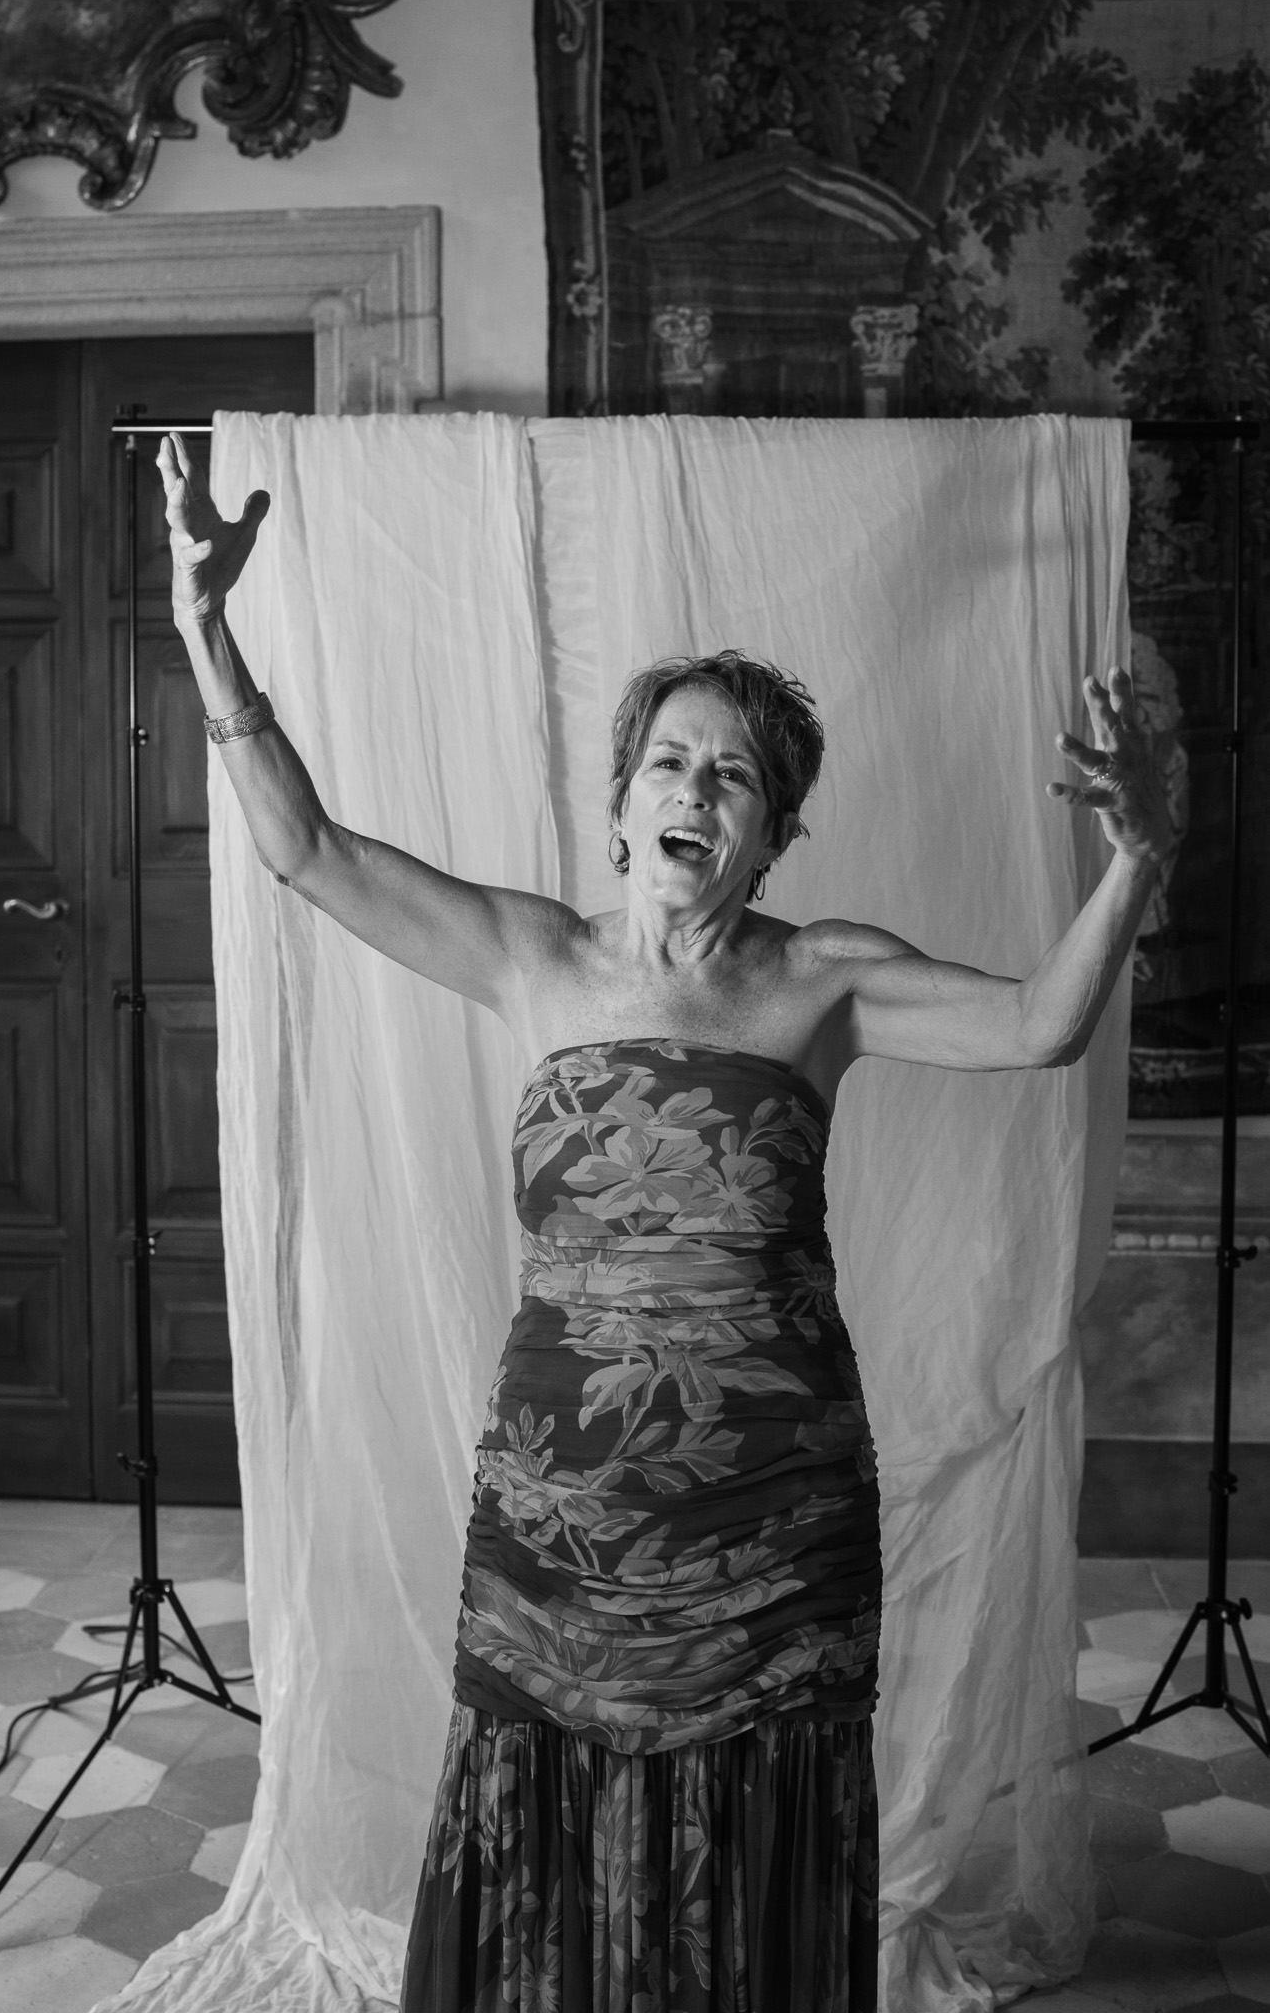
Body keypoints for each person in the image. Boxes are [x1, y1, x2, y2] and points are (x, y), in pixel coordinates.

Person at [157, 432, 1172, 2013]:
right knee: (544, 1847)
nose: (697, 788)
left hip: (773, 1533)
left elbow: (1043, 1025)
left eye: (736, 774)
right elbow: (308, 852)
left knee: (755, 1864)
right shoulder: (535, 958)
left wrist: (1140, 856)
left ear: (774, 835)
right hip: (559, 1521)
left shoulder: (823, 979)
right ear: (622, 805)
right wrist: (208, 631)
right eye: (671, 763)